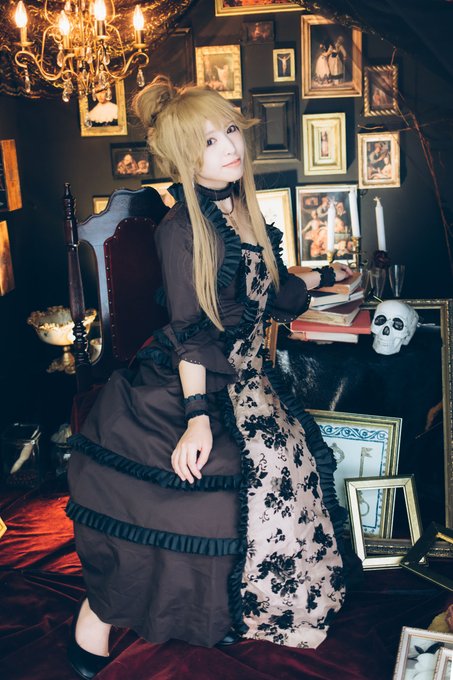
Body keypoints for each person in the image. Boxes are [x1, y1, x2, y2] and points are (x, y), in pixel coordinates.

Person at [66, 75, 352, 679]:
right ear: (182, 158)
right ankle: (97, 619)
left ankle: (241, 606)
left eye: (228, 130)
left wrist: (325, 276)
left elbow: (268, 292)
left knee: (286, 463)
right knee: (208, 489)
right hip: (194, 378)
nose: (229, 147)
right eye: (208, 142)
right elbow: (192, 333)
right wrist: (196, 419)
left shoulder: (241, 206)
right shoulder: (181, 229)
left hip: (248, 379)